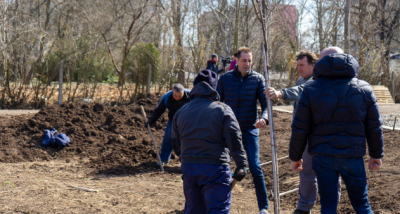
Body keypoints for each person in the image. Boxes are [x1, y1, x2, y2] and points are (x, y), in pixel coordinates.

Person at [289, 47, 384, 213]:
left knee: (328, 206)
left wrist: (296, 157)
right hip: (353, 156)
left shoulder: (311, 89)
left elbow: (300, 127)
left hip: (323, 157)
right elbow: (374, 126)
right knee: (362, 204)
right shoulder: (364, 88)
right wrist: (376, 154)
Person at [265, 51, 341, 214]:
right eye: (297, 65)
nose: (298, 69)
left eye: (301, 65)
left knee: (330, 173)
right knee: (306, 172)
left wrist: (280, 93)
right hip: (306, 135)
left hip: (323, 135)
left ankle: (331, 207)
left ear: (313, 66)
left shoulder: (318, 80)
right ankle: (304, 207)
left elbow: (302, 91)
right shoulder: (302, 78)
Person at [171, 69, 248, 214]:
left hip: (190, 168)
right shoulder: (223, 110)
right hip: (215, 168)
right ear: (214, 88)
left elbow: (176, 143)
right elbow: (234, 139)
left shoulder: (181, 112)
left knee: (193, 209)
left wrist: (187, 157)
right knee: (217, 210)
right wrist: (241, 165)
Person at [217, 47, 270, 214]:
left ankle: (263, 208)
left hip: (250, 130)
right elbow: (216, 102)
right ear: (236, 60)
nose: (247, 64)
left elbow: (266, 104)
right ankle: (216, 203)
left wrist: (264, 118)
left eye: (249, 60)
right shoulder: (225, 79)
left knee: (255, 167)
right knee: (219, 166)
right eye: (244, 60)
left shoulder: (258, 79)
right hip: (228, 131)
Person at [146, 83, 191, 165]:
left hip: (188, 121)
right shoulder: (167, 97)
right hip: (173, 120)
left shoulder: (191, 95)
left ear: (183, 92)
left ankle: (187, 161)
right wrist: (151, 120)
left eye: (180, 96)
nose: (177, 98)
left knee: (186, 140)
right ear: (172, 92)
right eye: (175, 96)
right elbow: (159, 110)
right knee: (168, 138)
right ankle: (164, 159)